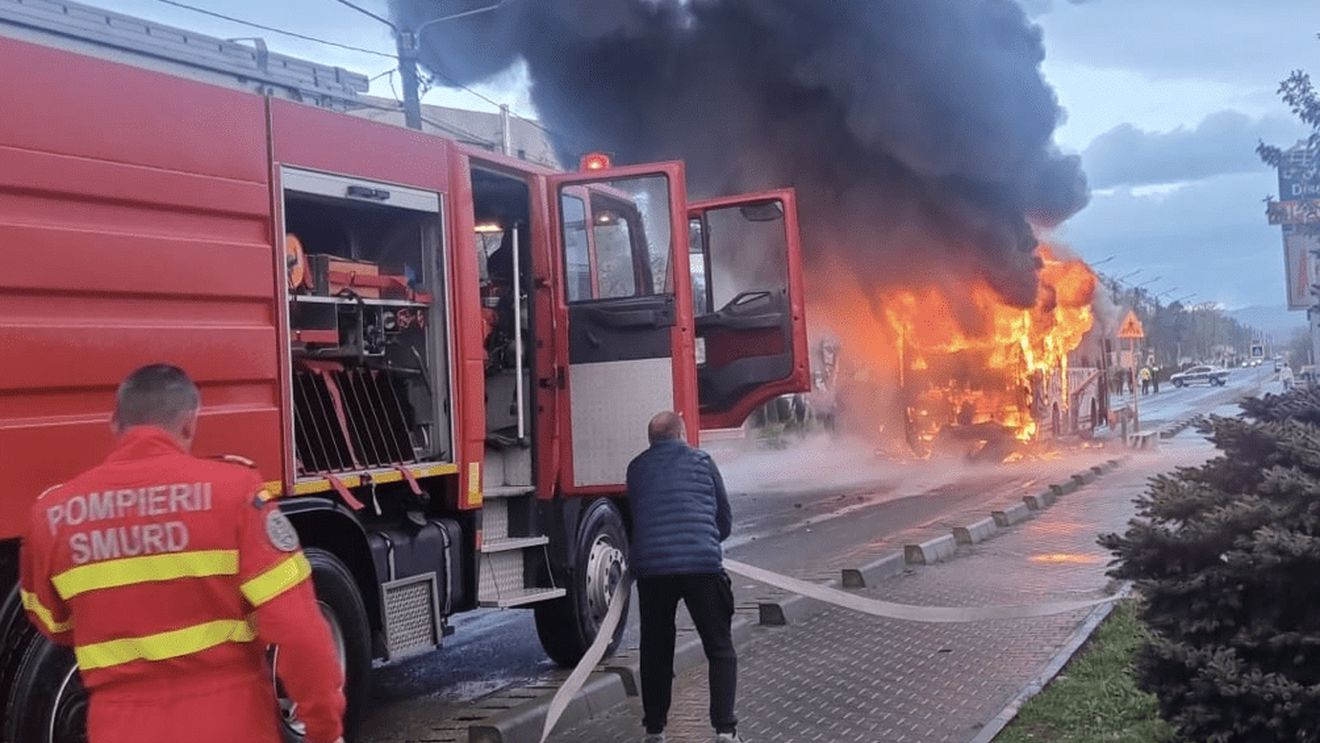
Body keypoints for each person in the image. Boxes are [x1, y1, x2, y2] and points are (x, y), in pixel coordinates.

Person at [20, 365, 345, 743]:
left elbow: (53, 622)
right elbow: (301, 631)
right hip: (231, 722)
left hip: (120, 725)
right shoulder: (235, 494)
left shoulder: (53, 515)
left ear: (114, 423)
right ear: (190, 422)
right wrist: (324, 730)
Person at [626, 411, 740, 743]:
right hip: (702, 567)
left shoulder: (636, 468)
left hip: (653, 571)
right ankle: (724, 730)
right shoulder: (703, 461)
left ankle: (655, 730)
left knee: (656, 649)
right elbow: (725, 519)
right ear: (681, 434)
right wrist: (703, 542)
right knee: (719, 648)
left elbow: (639, 516)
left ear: (651, 440)